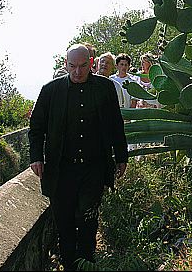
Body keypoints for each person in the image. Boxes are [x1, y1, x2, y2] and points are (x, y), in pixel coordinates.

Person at [28, 43, 128, 270]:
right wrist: (36, 157)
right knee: (63, 222)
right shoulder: (50, 90)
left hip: (94, 168)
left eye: (83, 66)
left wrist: (121, 157)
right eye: (72, 66)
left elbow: (115, 125)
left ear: (91, 64)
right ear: (65, 65)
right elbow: (36, 128)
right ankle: (69, 264)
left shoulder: (105, 88)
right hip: (61, 169)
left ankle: (87, 261)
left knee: (88, 219)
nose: (77, 72)